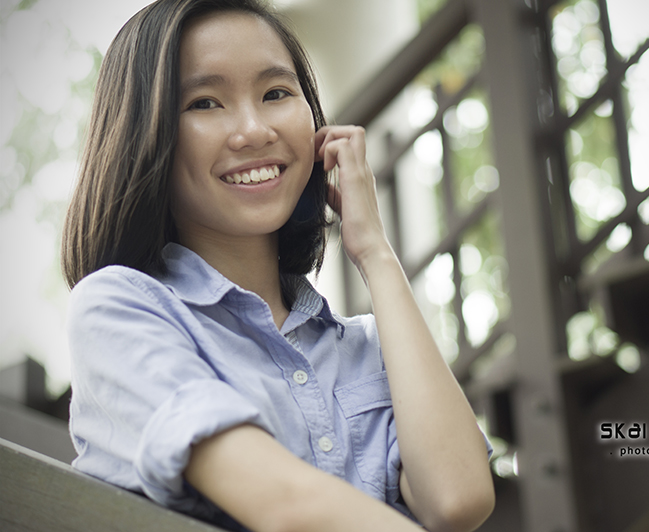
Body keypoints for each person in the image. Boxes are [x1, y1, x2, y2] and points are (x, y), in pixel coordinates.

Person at [61, 1, 495, 531]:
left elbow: (459, 500)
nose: (253, 130)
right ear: (146, 136)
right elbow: (286, 506)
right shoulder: (118, 309)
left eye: (275, 93)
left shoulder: (369, 350)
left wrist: (375, 253)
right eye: (204, 102)